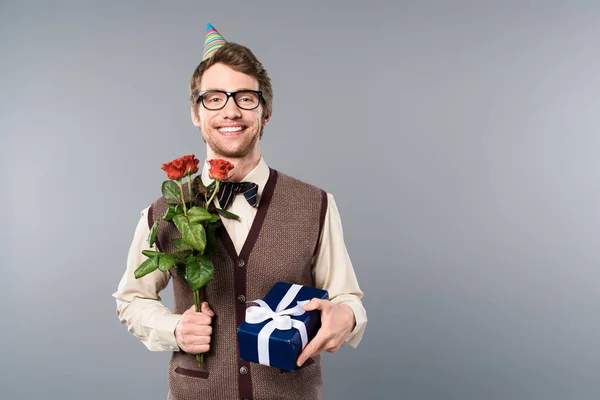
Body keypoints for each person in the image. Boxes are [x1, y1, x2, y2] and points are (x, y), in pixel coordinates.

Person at [113, 23, 367, 400]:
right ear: (196, 113)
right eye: (214, 98)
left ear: (264, 113)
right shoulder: (166, 210)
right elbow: (131, 299)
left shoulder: (316, 204)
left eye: (246, 98)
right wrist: (175, 329)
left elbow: (347, 298)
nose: (231, 111)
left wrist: (345, 317)